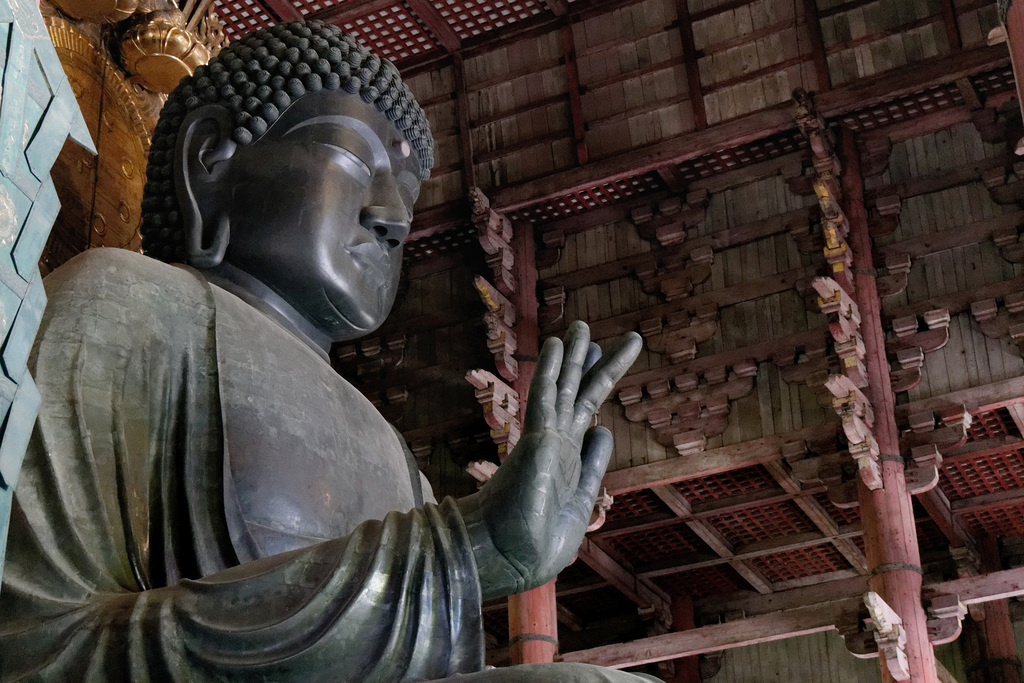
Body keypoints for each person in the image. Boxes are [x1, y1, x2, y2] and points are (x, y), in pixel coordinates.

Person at [0, 21, 654, 682]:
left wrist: (463, 552)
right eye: (355, 160)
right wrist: (464, 549)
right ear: (211, 160)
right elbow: (31, 645)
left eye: (406, 190)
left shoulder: (397, 457)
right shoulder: (126, 303)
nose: (394, 216)